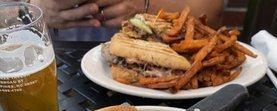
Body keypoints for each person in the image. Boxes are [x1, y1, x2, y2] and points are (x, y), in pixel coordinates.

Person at [31, 0, 225, 30]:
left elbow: (211, 11)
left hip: (165, 78)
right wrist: (32, 10)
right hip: (57, 72)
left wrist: (145, 4)